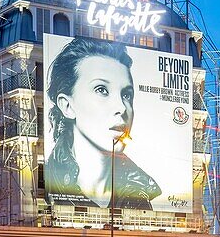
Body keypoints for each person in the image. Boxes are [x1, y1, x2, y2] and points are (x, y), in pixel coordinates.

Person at [45, 36, 161, 209]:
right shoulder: (47, 184)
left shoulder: (142, 196)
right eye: (102, 90)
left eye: (126, 95)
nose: (122, 107)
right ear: (67, 105)